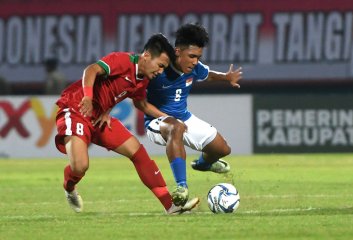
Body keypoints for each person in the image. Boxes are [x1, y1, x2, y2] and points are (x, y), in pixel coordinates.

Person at [54, 33, 199, 215]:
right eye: (160, 66)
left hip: (98, 117)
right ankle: (69, 186)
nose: (161, 71)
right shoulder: (122, 61)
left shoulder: (143, 78)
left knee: (137, 151)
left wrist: (172, 120)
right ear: (146, 56)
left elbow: (141, 104)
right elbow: (91, 70)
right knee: (80, 166)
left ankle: (171, 206)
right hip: (77, 109)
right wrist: (88, 97)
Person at [133, 23, 242, 206]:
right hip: (156, 121)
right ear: (177, 52)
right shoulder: (158, 69)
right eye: (191, 56)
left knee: (222, 149)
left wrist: (226, 77)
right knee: (176, 127)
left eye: (198, 57)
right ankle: (181, 187)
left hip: (184, 118)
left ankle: (203, 164)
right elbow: (140, 103)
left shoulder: (195, 67)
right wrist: (167, 118)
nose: (194, 61)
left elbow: (209, 75)